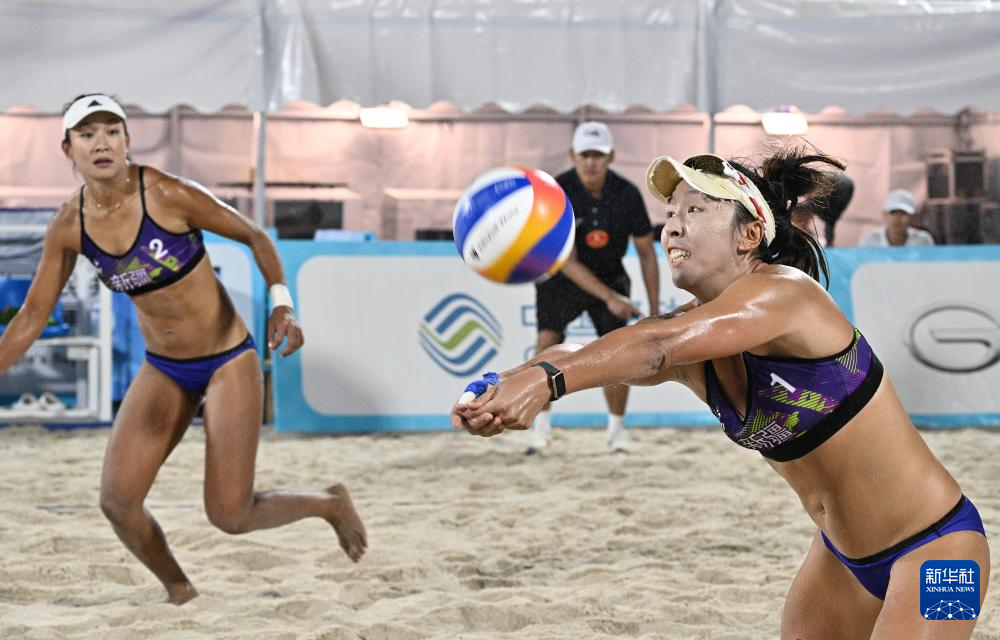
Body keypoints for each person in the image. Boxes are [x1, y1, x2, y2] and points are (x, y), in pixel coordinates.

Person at [452, 148, 989, 637]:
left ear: (749, 235)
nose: (672, 226)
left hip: (942, 551)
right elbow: (598, 351)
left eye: (695, 210)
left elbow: (655, 346)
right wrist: (504, 382)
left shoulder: (787, 295)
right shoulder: (695, 341)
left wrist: (545, 381)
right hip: (842, 560)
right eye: (670, 214)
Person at [0, 94, 367, 604]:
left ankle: (329, 503)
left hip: (226, 360)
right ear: (68, 149)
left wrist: (282, 303)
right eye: (86, 135)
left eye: (111, 131)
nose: (101, 143)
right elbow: (31, 316)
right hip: (165, 369)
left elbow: (255, 236)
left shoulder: (168, 194)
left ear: (127, 141)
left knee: (231, 516)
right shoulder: (69, 225)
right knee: (118, 502)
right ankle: (180, 590)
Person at [528, 120, 660, 454]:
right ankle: (540, 429)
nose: (591, 162)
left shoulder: (627, 193)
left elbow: (647, 254)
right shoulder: (556, 192)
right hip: (560, 279)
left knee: (617, 353)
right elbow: (566, 261)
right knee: (546, 344)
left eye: (598, 155)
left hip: (611, 274)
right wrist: (611, 299)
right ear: (573, 155)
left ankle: (617, 432)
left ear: (610, 156)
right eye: (585, 154)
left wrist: (656, 311)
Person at [858, 188, 935, 247]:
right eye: (893, 212)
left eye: (903, 213)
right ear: (884, 215)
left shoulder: (922, 241)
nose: (897, 218)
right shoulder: (869, 241)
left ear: (913, 217)